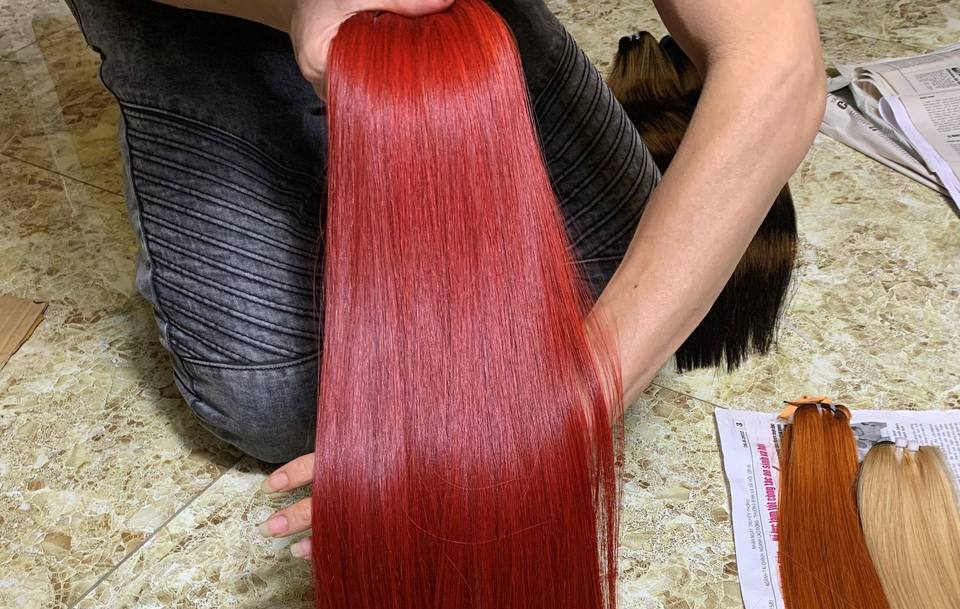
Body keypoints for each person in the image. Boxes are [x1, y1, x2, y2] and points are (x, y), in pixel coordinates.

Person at [67, 0, 825, 557]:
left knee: (611, 299)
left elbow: (774, 65)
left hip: (455, 20)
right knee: (285, 403)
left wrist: (571, 407)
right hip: (198, 19)